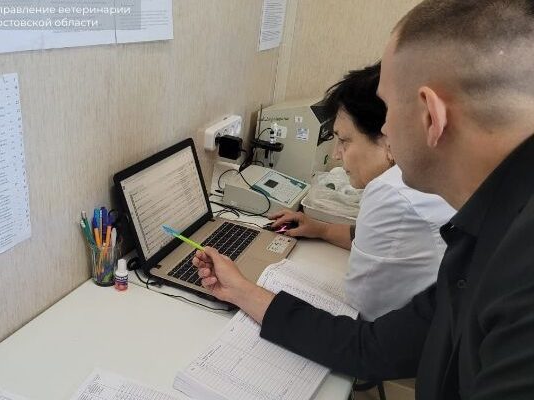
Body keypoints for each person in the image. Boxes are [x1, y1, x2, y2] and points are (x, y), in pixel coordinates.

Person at [193, 1, 534, 399]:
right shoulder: (485, 233)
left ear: (430, 116)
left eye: (388, 109)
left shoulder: (519, 273)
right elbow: (372, 349)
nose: (384, 127)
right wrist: (240, 290)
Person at [269, 62, 454, 321]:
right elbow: (371, 238)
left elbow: (359, 305)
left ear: (388, 137)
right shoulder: (431, 172)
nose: (336, 154)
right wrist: (321, 229)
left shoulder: (390, 191)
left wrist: (242, 291)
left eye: (344, 140)